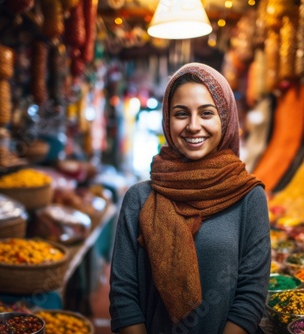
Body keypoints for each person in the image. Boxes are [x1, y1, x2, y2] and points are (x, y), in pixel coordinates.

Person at [109, 62, 271, 334]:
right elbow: (124, 295)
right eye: (181, 114)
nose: (194, 126)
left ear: (225, 118)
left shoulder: (249, 197)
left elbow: (251, 294)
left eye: (207, 113)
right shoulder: (139, 198)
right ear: (167, 121)